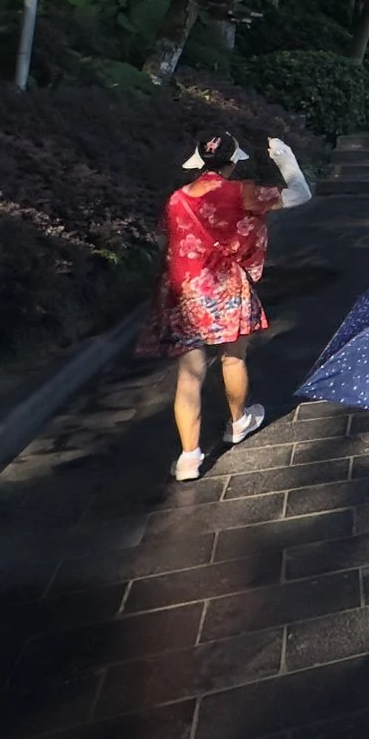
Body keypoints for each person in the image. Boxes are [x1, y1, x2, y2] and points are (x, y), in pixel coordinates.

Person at [141, 129, 312, 482]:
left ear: (199, 160)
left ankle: (189, 458)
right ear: (233, 161)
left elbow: (171, 239)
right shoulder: (242, 193)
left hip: (184, 293)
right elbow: (300, 194)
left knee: (190, 376)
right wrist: (284, 157)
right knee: (233, 357)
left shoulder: (177, 198)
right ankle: (238, 423)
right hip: (227, 287)